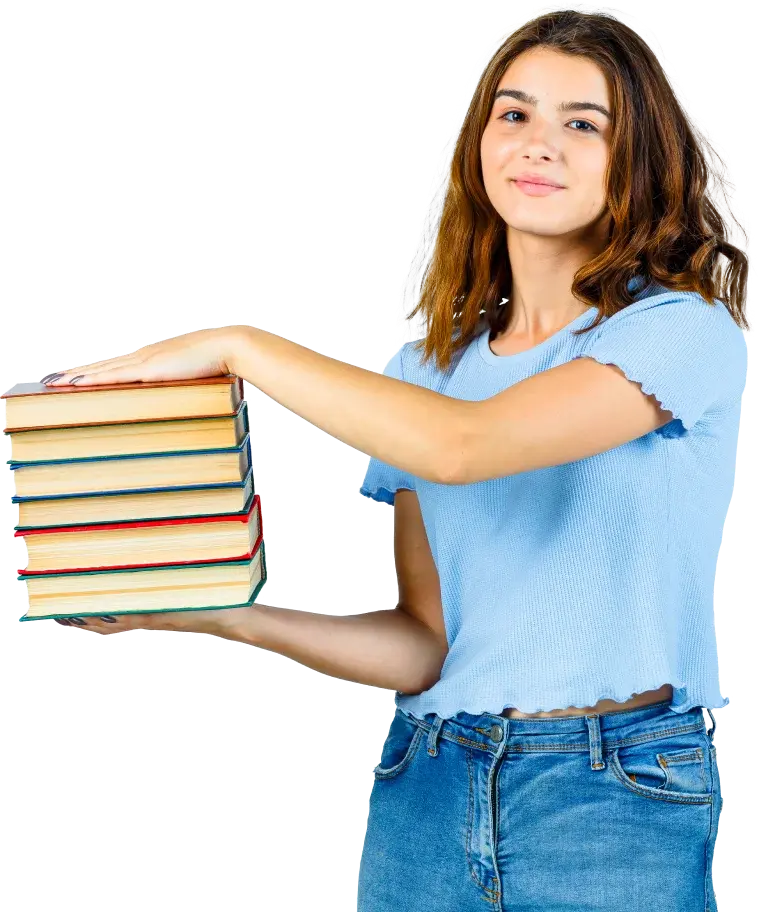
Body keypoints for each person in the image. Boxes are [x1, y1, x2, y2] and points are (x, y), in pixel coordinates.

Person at [41, 10, 750, 911]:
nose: (538, 145)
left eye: (582, 123)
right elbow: (423, 650)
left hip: (609, 791)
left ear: (637, 160)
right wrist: (220, 613)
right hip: (428, 777)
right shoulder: (431, 365)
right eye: (513, 114)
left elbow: (466, 447)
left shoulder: (679, 331)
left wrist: (242, 348)